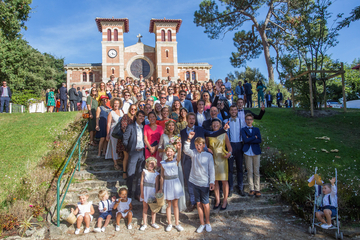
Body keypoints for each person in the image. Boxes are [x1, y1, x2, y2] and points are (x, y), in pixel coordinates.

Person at [184, 133, 215, 233]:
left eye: (200, 144)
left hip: (205, 183)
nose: (198, 147)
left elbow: (212, 169)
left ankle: (208, 222)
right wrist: (189, 139)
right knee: (198, 203)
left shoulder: (208, 155)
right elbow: (185, 150)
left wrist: (212, 182)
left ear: (204, 145)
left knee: (205, 204)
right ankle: (201, 223)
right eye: (197, 145)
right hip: (195, 181)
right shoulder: (193, 153)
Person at [158, 120, 186, 212]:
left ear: (174, 127)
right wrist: (167, 150)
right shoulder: (163, 136)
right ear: (167, 127)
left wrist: (176, 149)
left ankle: (178, 205)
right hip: (166, 160)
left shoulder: (177, 136)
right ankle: (166, 206)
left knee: (177, 179)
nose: (171, 127)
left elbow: (180, 149)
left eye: (172, 125)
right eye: (169, 125)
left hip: (175, 161)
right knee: (166, 179)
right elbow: (159, 149)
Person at [206, 118, 232, 211]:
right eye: (214, 124)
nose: (215, 125)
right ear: (211, 125)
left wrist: (229, 154)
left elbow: (229, 148)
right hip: (212, 160)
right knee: (215, 180)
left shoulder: (224, 134)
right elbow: (206, 147)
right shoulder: (208, 135)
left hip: (222, 159)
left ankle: (225, 200)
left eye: (217, 124)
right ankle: (217, 200)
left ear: (220, 125)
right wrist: (207, 149)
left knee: (224, 181)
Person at [159, 143, 184, 232]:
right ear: (165, 152)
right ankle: (169, 223)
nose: (169, 153)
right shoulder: (163, 163)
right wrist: (161, 188)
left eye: (171, 151)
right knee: (168, 204)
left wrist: (179, 149)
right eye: (167, 151)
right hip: (167, 183)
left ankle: (177, 223)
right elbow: (161, 176)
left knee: (175, 204)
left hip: (175, 183)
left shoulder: (175, 160)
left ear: (173, 152)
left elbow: (179, 157)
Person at [122, 110, 146, 199]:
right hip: (134, 151)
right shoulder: (130, 127)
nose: (141, 118)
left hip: (142, 152)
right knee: (131, 173)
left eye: (143, 116)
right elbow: (124, 140)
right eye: (140, 116)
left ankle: (137, 193)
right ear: (136, 116)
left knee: (140, 174)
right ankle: (128, 194)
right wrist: (130, 148)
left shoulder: (144, 127)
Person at [223, 105, 246, 196]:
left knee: (240, 167)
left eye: (235, 110)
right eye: (232, 110)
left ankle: (240, 187)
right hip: (230, 145)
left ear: (237, 111)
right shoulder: (225, 121)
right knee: (230, 169)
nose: (233, 111)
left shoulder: (242, 122)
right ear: (229, 111)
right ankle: (230, 188)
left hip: (239, 145)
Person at [240, 113, 262, 197]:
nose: (249, 121)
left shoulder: (256, 129)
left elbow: (259, 140)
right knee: (249, 171)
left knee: (256, 171)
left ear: (252, 120)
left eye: (250, 119)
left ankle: (257, 189)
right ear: (245, 121)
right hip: (247, 152)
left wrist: (250, 139)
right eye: (247, 119)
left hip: (256, 152)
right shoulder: (243, 129)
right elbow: (245, 140)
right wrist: (254, 137)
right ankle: (251, 189)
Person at [139, 157, 160, 231]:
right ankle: (144, 223)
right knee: (145, 207)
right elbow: (141, 182)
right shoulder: (144, 171)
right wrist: (142, 192)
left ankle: (153, 222)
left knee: (153, 208)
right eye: (150, 163)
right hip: (145, 190)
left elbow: (157, 184)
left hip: (152, 191)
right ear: (147, 164)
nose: (151, 165)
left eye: (152, 164)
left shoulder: (156, 174)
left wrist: (156, 194)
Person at [116, 104, 137, 179]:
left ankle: (131, 172)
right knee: (126, 156)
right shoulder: (125, 116)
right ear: (129, 109)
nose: (133, 111)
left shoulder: (136, 117)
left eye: (135, 109)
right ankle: (124, 172)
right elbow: (124, 128)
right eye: (132, 109)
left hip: (134, 140)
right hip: (126, 139)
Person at [106, 98, 124, 170]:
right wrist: (107, 134)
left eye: (117, 103)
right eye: (115, 103)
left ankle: (120, 160)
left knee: (121, 146)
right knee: (114, 147)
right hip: (114, 132)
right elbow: (108, 124)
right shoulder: (111, 113)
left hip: (121, 132)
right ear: (112, 104)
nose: (116, 105)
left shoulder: (122, 111)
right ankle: (115, 163)